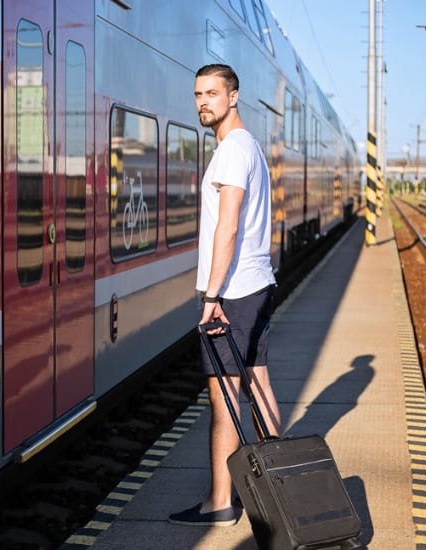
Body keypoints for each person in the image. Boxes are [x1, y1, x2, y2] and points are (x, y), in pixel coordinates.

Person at [169, 64, 282, 527]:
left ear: (233, 97)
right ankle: (280, 481)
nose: (203, 102)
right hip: (255, 285)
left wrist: (211, 296)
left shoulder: (232, 152)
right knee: (258, 385)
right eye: (198, 94)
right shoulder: (250, 147)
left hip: (232, 292)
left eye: (213, 93)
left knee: (224, 401)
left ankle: (219, 502)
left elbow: (228, 225)